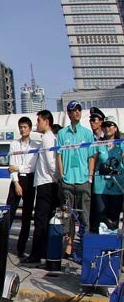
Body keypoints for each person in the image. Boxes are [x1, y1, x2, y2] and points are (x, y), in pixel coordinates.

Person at [57, 100, 96, 256]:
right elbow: (58, 155)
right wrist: (61, 175)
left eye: (79, 109)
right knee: (67, 216)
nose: (77, 112)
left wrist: (90, 176)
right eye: (74, 110)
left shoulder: (87, 133)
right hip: (67, 181)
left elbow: (92, 156)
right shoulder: (61, 134)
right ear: (69, 113)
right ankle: (69, 245)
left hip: (83, 180)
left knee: (85, 215)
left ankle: (85, 246)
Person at [23, 110, 59, 265]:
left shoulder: (48, 139)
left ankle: (37, 254)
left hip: (46, 183)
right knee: (42, 220)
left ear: (46, 121)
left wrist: (54, 179)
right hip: (45, 182)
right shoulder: (48, 138)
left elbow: (52, 163)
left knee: (40, 220)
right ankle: (42, 251)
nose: (37, 123)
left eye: (38, 120)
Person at [6, 117, 39, 257]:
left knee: (26, 216)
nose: (22, 129)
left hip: (29, 179)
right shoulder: (14, 144)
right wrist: (16, 182)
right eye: (21, 127)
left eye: (25, 127)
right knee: (9, 213)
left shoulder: (36, 145)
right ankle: (2, 243)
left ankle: (21, 248)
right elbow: (11, 164)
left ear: (30, 128)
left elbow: (31, 166)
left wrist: (18, 167)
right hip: (16, 180)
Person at [93, 117, 123, 232]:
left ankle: (112, 249)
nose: (107, 128)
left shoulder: (121, 144)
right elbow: (93, 162)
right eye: (105, 125)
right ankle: (102, 247)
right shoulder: (98, 144)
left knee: (114, 220)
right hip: (101, 187)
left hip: (117, 187)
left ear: (115, 128)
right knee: (102, 220)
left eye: (110, 125)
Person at [89, 107, 107, 231]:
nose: (91, 122)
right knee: (93, 213)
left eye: (94, 119)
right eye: (90, 120)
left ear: (101, 121)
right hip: (92, 179)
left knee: (105, 212)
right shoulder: (89, 139)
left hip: (108, 182)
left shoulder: (110, 138)